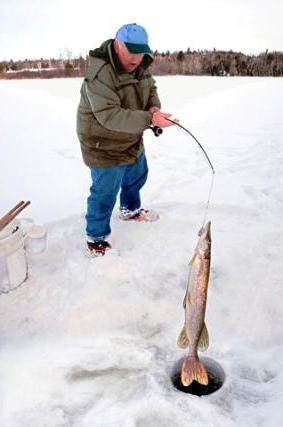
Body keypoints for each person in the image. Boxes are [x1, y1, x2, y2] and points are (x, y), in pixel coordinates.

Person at [77, 23, 177, 256]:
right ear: (117, 43)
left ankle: (130, 210)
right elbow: (109, 116)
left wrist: (154, 107)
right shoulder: (100, 73)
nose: (136, 58)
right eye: (131, 51)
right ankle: (96, 237)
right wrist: (150, 118)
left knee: (137, 174)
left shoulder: (140, 63)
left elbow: (150, 87)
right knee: (105, 191)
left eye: (140, 52)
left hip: (130, 134)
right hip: (102, 140)